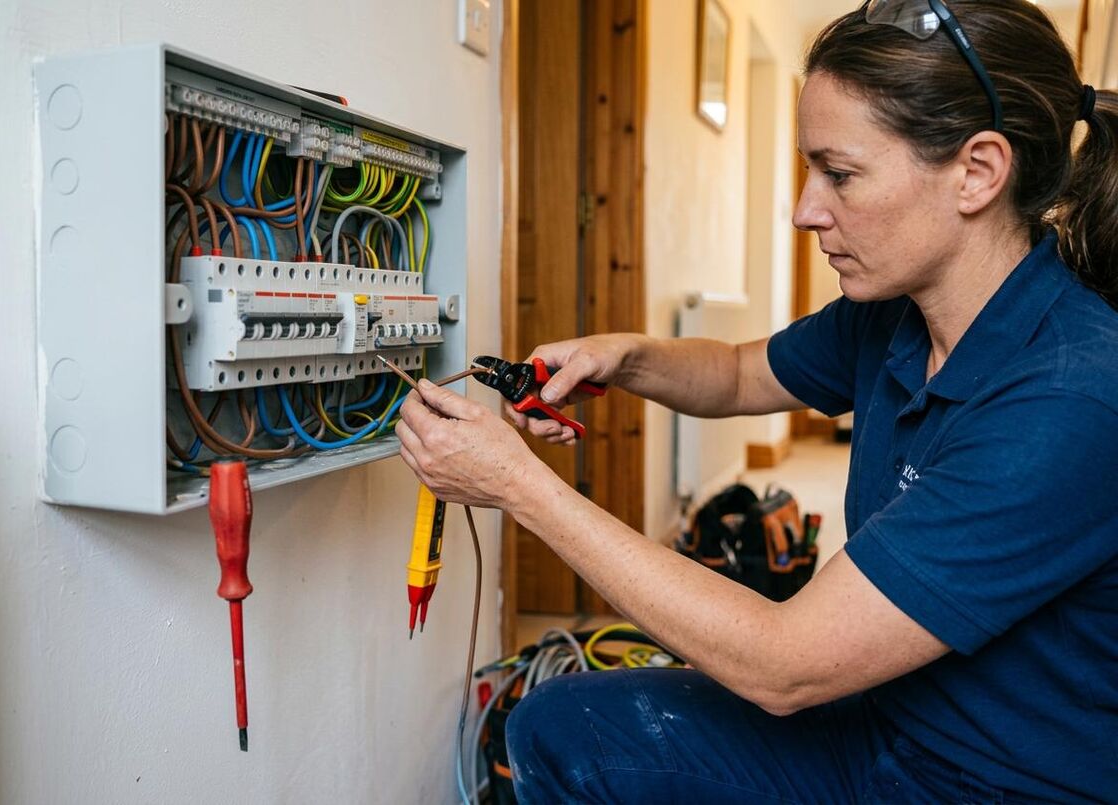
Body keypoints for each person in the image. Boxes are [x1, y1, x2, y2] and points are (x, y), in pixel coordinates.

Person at [396, 0, 1118, 800]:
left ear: (978, 171)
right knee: (560, 728)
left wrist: (518, 487)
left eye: (839, 174)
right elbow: (740, 373)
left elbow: (785, 662)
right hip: (885, 723)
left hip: (995, 784)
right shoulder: (896, 314)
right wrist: (625, 357)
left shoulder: (1070, 398)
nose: (807, 209)